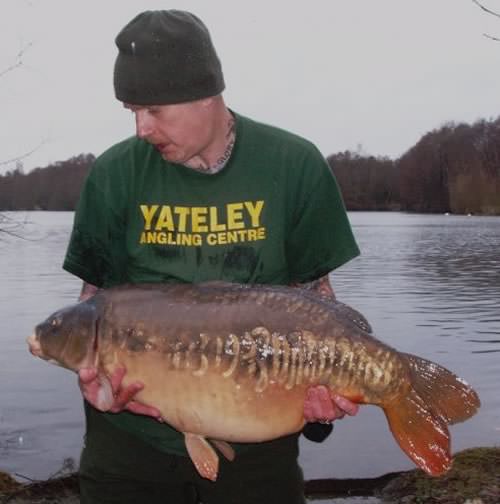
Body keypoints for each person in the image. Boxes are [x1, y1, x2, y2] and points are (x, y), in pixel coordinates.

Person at [63, 9, 360, 504]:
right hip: (129, 453)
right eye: (131, 110)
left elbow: (315, 302)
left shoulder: (294, 165)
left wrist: (325, 395)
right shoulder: (113, 175)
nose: (142, 128)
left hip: (256, 447)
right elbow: (92, 311)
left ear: (207, 94)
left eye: (154, 110)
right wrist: (91, 380)